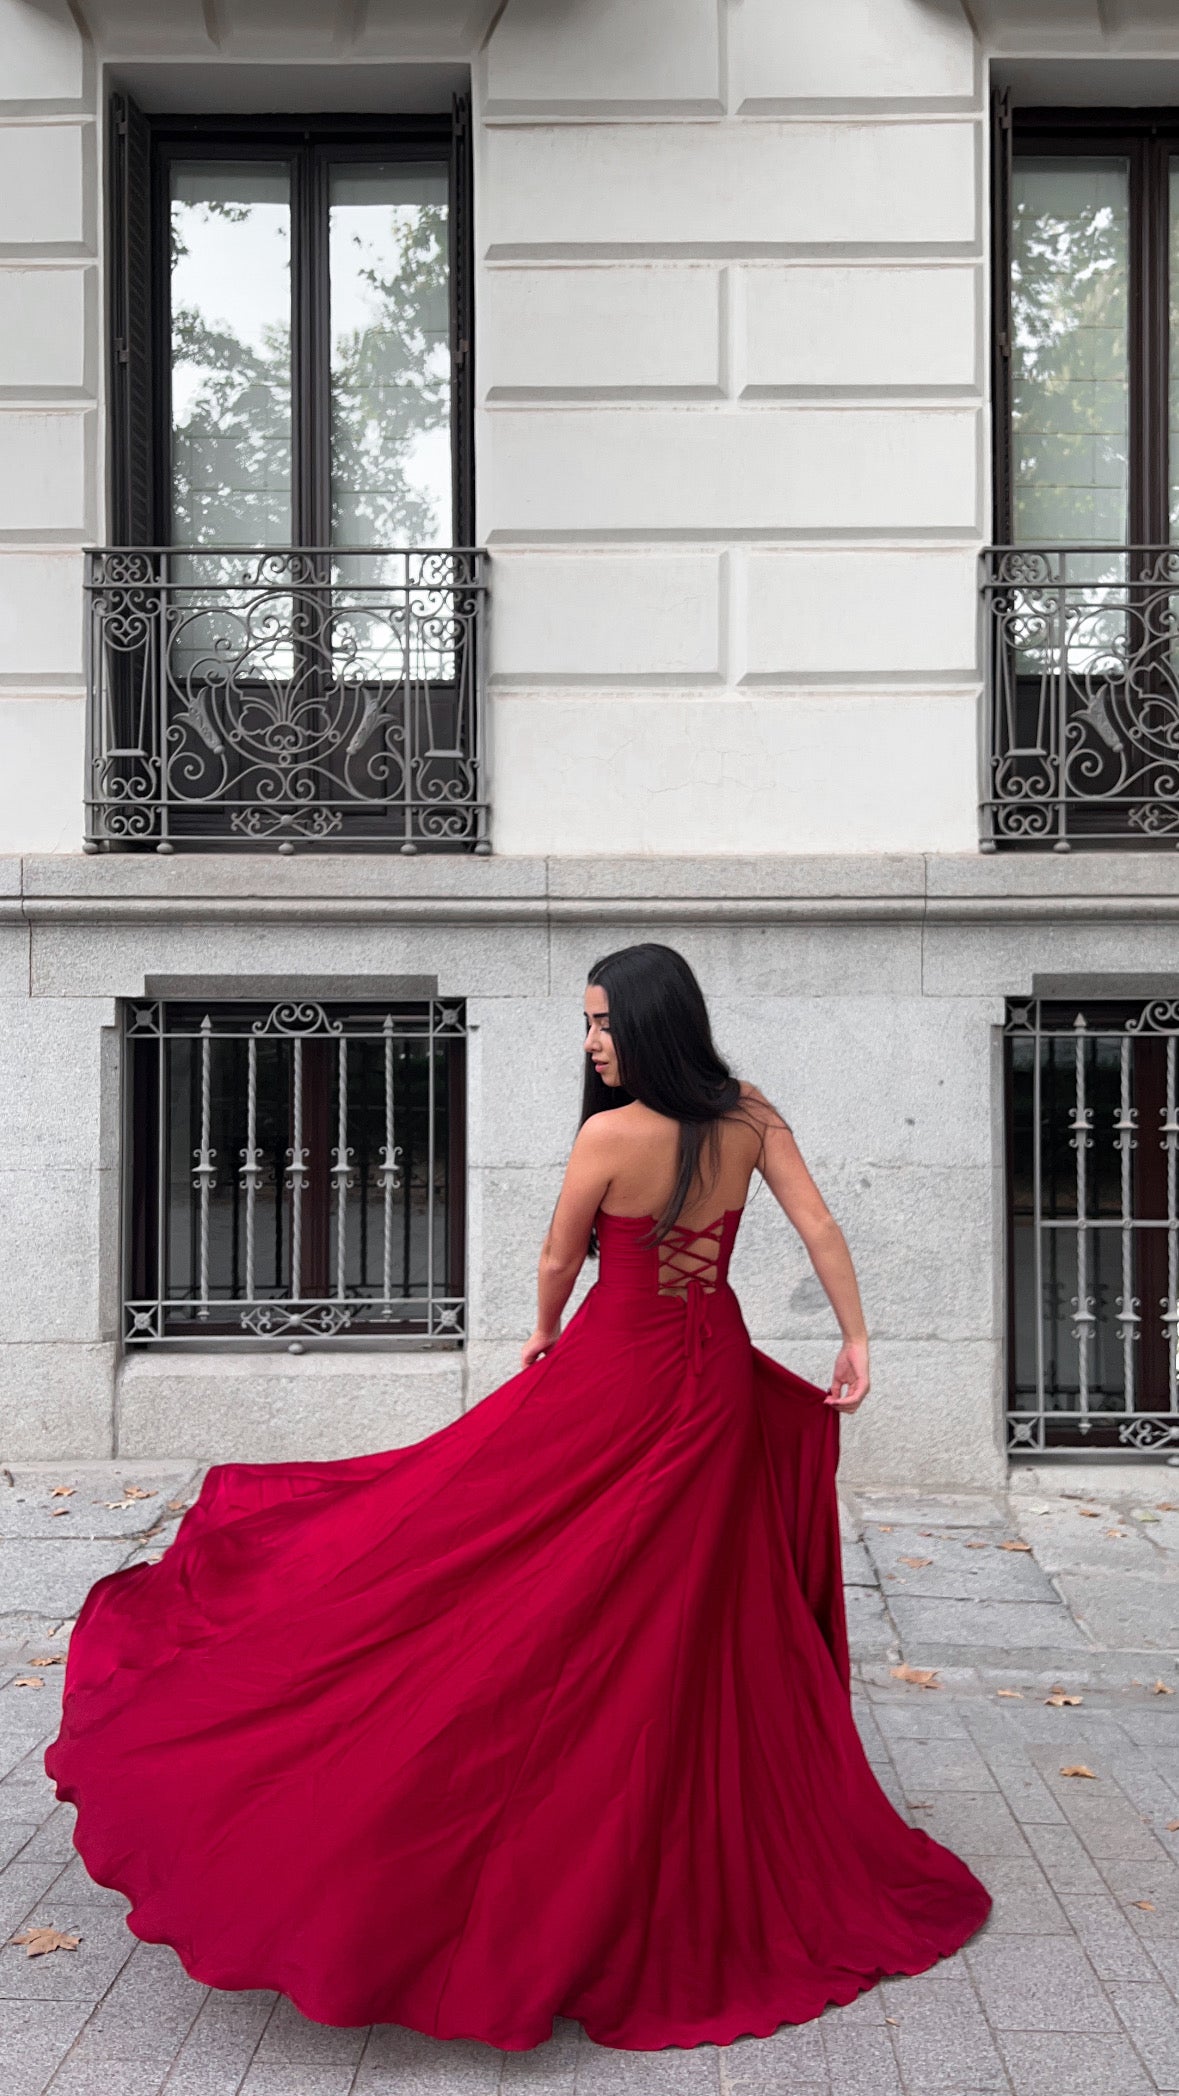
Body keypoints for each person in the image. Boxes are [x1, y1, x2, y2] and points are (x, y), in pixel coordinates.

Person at [44, 942, 990, 2051]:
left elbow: (558, 1257)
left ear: (652, 1023)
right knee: (675, 1590)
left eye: (603, 1023)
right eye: (588, 1024)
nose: (591, 1042)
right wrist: (856, 1338)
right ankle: (665, 1796)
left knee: (499, 1547)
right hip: (714, 1377)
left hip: (620, 1374)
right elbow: (819, 1228)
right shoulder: (752, 1117)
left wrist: (542, 1331)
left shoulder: (608, 1133)